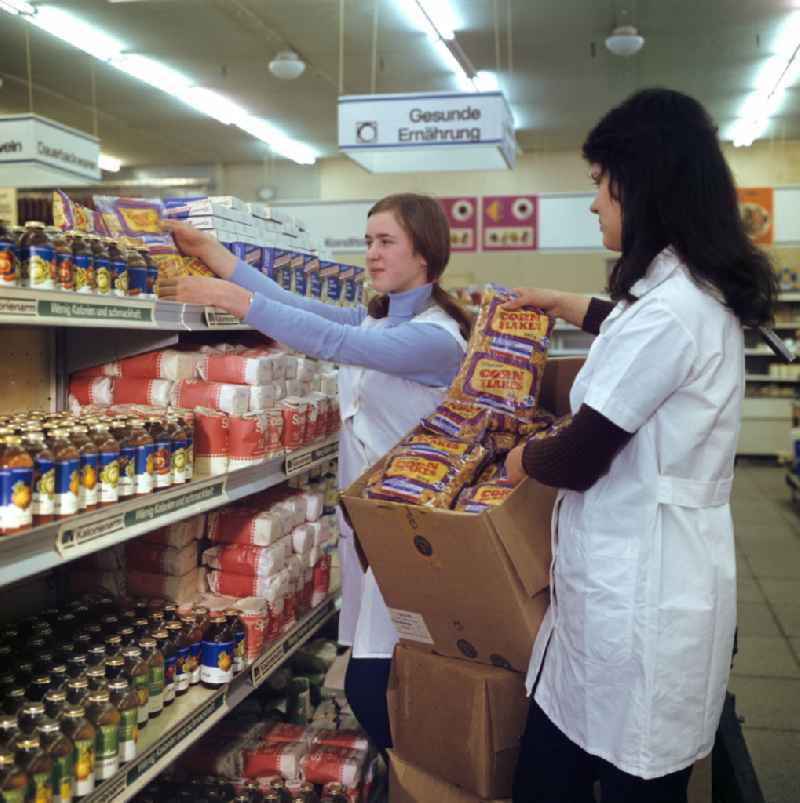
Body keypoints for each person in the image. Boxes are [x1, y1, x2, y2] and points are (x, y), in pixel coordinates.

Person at [503, 88, 777, 803]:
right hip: (617, 594)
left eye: (599, 184)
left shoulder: (675, 309)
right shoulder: (677, 290)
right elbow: (631, 334)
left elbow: (580, 457)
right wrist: (565, 305)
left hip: (645, 600)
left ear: (643, 185)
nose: (593, 203)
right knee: (556, 760)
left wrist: (515, 458)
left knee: (629, 778)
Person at [160, 193, 472, 757]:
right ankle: (418, 778)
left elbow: (333, 342)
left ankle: (430, 782)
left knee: (376, 688)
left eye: (386, 242)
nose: (372, 254)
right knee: (384, 682)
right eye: (368, 240)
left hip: (413, 535)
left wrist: (230, 299)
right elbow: (292, 305)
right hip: (374, 531)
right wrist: (214, 253)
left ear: (424, 252)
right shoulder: (379, 318)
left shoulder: (434, 337)